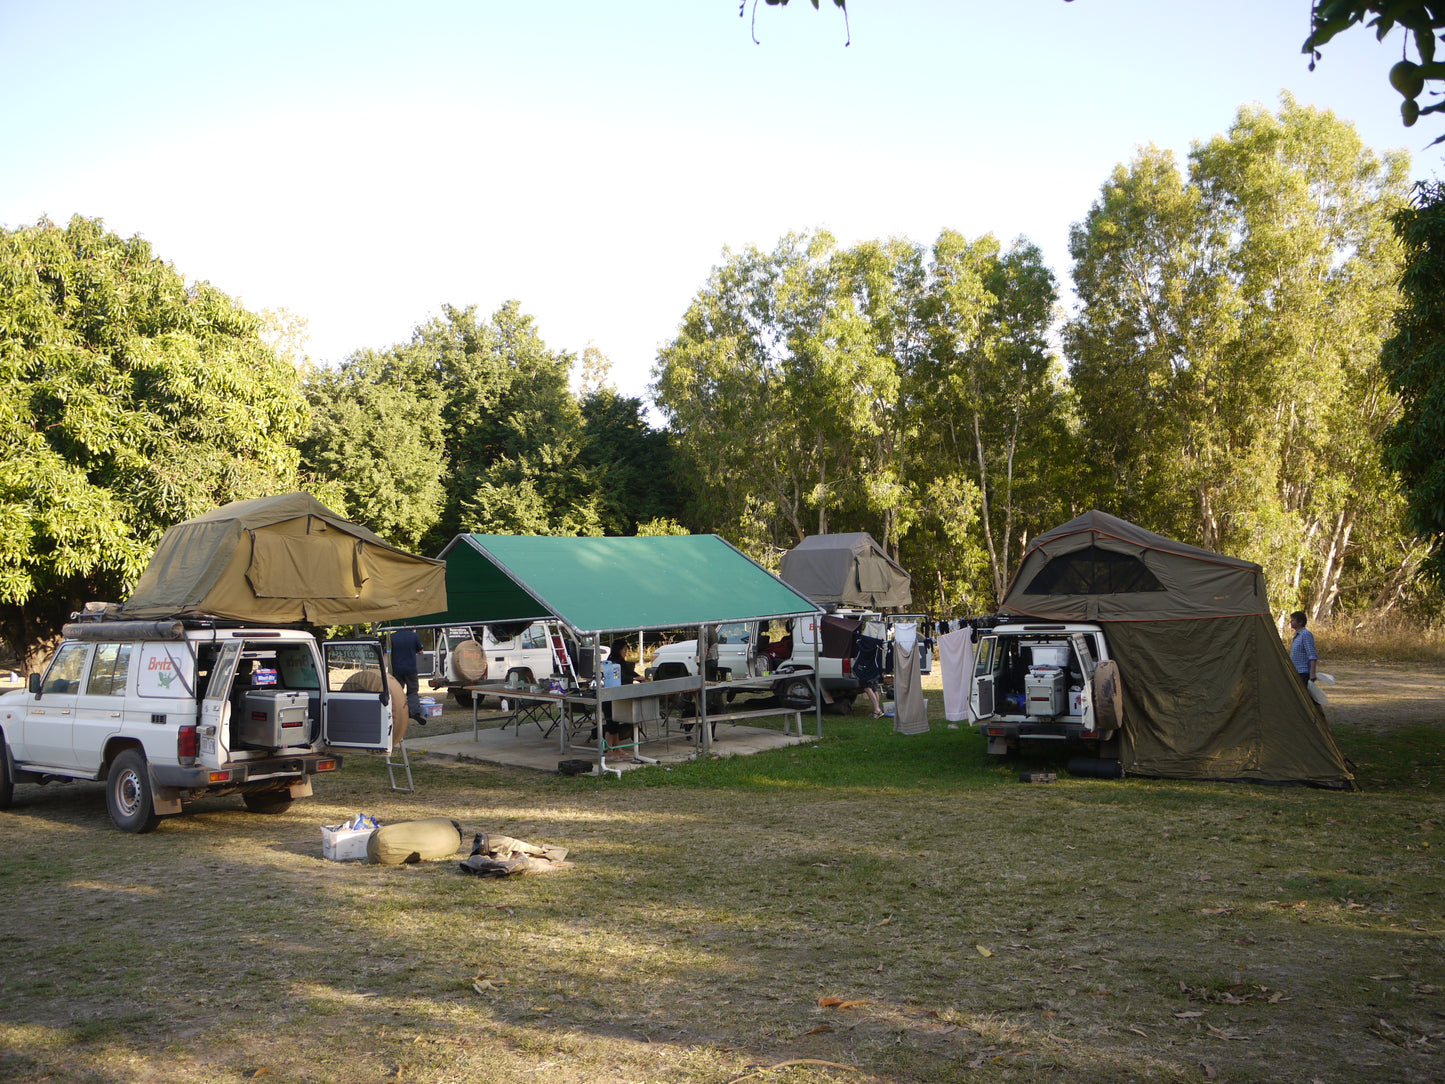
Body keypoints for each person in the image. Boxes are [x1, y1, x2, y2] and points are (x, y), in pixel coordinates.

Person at [390, 628, 427, 727]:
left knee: (397, 691)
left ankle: (397, 712)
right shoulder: (413, 636)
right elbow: (420, 651)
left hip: (397, 669)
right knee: (412, 691)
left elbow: (387, 653)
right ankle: (414, 712)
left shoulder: (392, 637)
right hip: (411, 669)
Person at [1288, 611, 1317, 689]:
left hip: (1303, 672)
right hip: (1296, 671)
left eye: (1293, 620)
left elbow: (1312, 654)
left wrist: (1312, 673)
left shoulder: (1305, 634)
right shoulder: (1297, 635)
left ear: (1300, 622)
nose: (1291, 622)